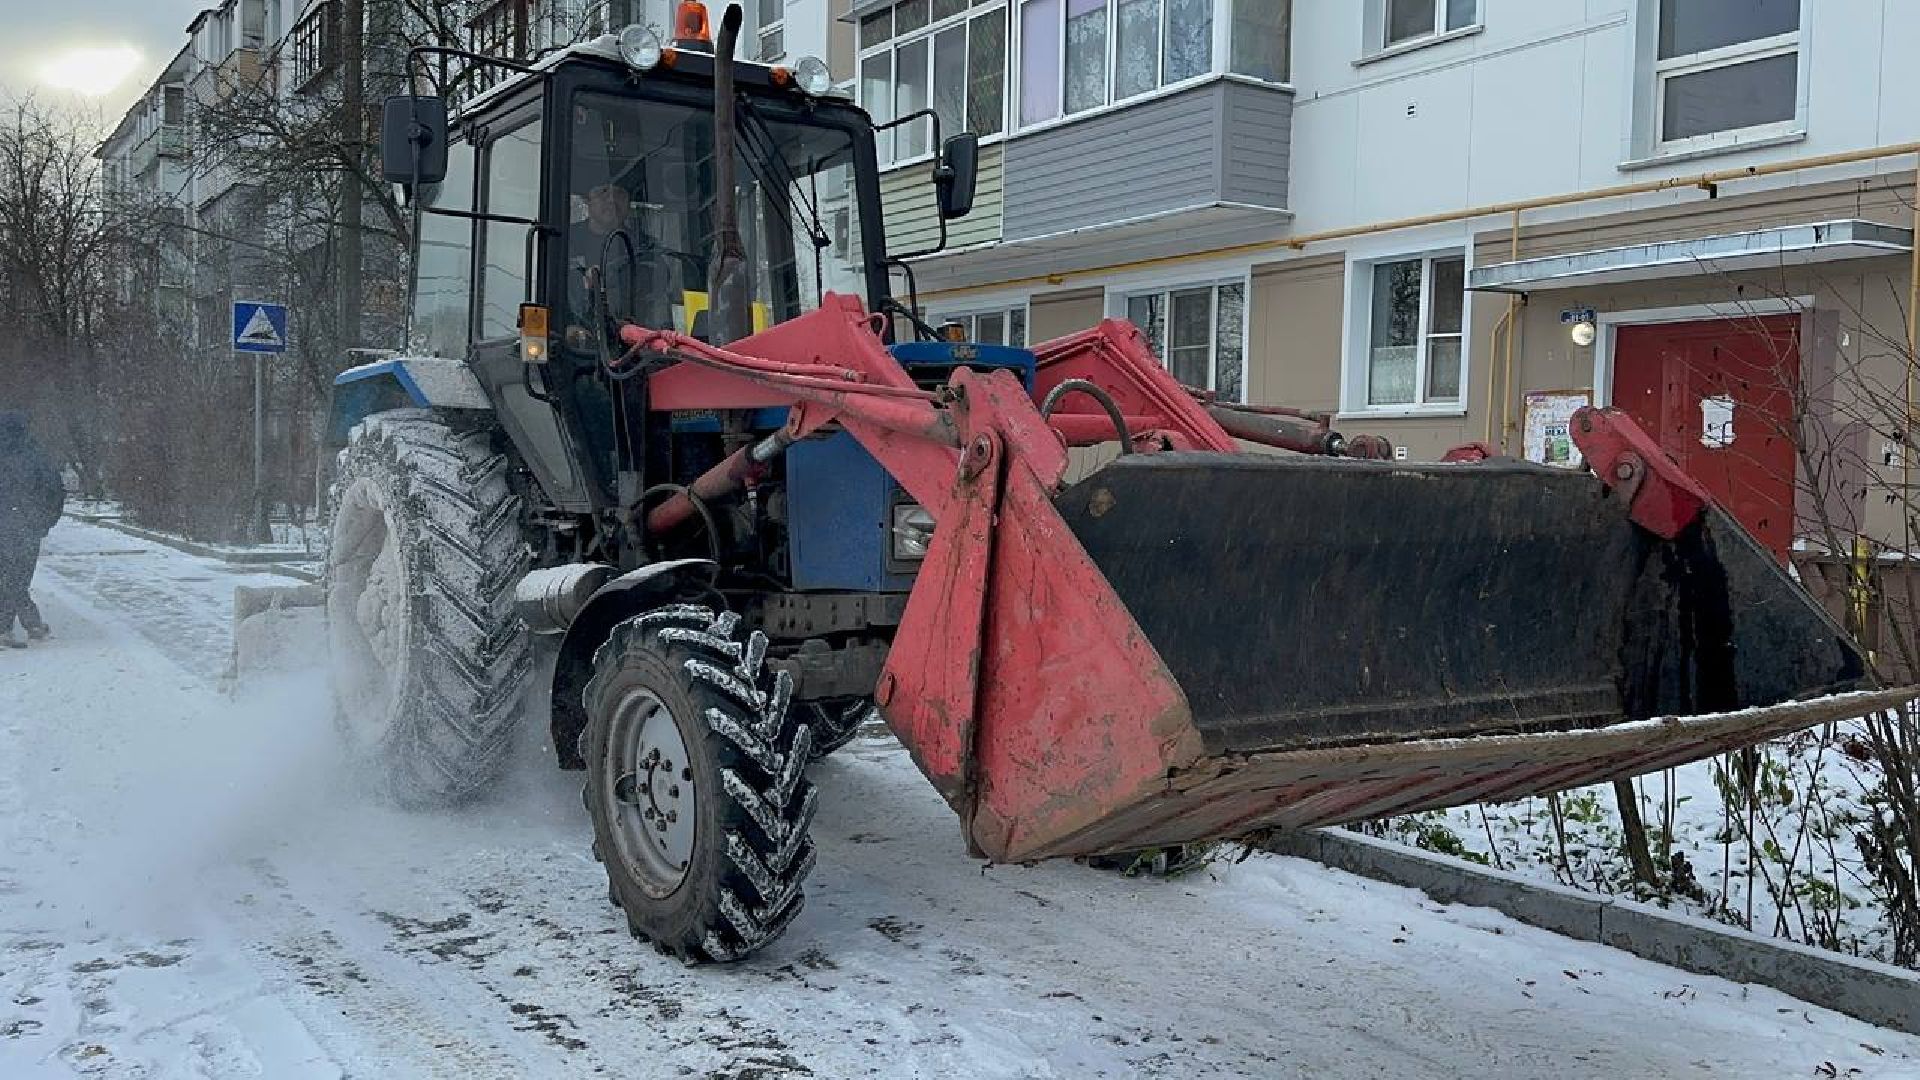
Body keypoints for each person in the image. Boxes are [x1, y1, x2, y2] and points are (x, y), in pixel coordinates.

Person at [0, 412, 63, 648]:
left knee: (6, 578)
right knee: (18, 577)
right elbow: (55, 491)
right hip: (27, 527)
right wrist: (45, 522)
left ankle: (12, 626)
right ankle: (29, 623)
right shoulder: (36, 457)